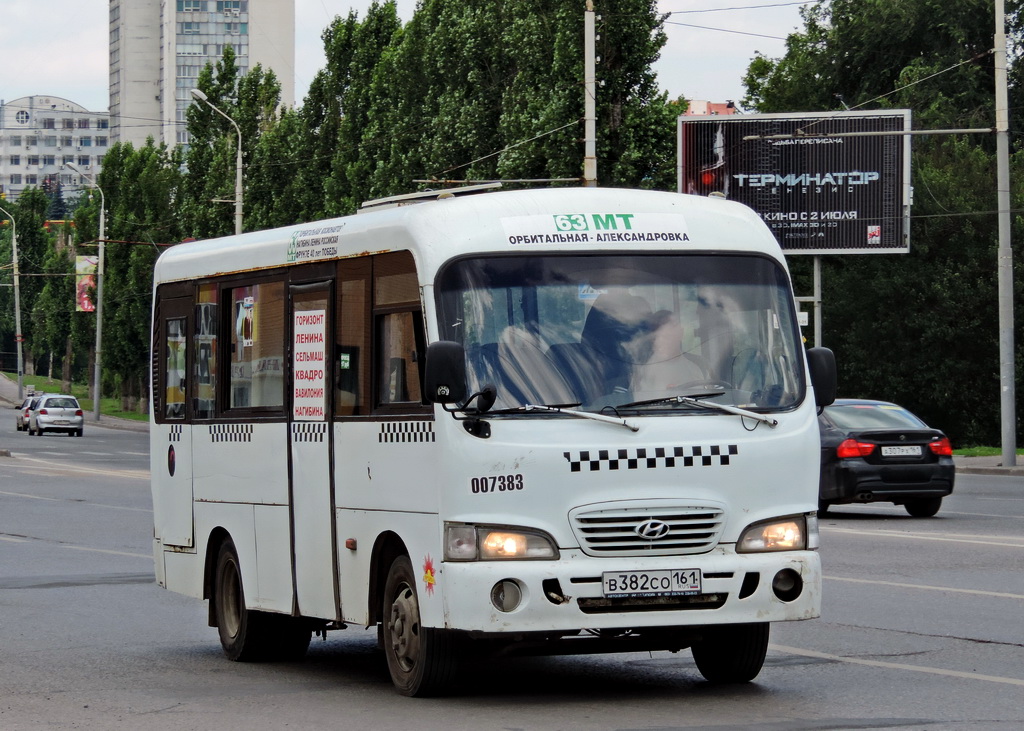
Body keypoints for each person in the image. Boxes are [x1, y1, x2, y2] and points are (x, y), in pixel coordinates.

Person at [631, 310, 708, 393]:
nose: (660, 342)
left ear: (680, 333)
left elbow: (715, 397)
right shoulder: (642, 371)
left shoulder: (700, 365)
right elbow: (635, 401)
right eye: (655, 338)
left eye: (667, 337)